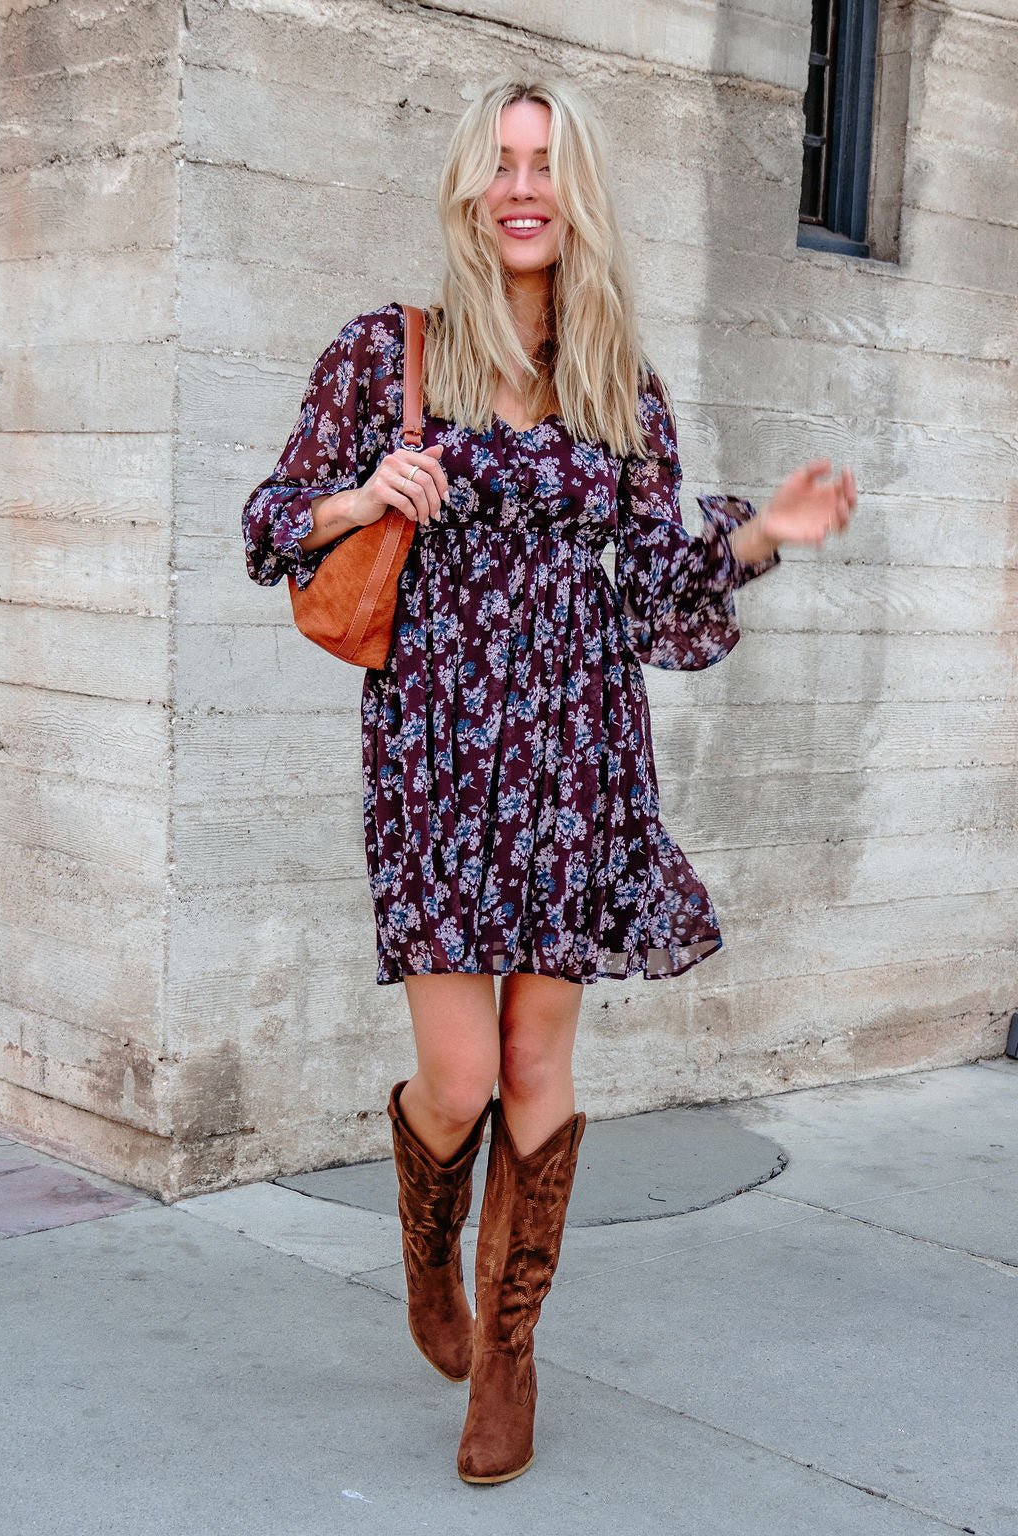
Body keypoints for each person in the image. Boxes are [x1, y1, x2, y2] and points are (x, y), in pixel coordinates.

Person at [241, 76, 857, 1485]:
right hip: (440, 757)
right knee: (454, 1080)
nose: (525, 187)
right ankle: (427, 1247)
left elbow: (656, 589)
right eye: (504, 164)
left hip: (578, 752)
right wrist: (363, 495)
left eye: (549, 165)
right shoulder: (384, 354)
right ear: (470, 189)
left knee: (535, 1065)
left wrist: (760, 531)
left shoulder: (611, 377)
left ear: (574, 197)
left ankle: (509, 1355)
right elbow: (270, 524)